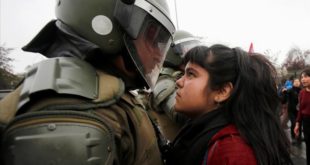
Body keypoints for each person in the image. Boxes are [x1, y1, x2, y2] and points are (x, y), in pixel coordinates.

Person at [0, 0, 175, 164]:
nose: (158, 54)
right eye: (151, 39)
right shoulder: (70, 108)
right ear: (108, 25)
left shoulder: (108, 91)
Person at [165, 45, 293, 165]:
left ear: (222, 91)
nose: (178, 82)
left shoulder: (232, 152)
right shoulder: (202, 130)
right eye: (183, 74)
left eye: (191, 74)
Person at [147, 30, 202, 141]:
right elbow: (181, 114)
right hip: (185, 152)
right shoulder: (162, 81)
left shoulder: (185, 75)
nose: (193, 55)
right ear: (172, 52)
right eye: (187, 49)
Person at [295, 68, 310, 165]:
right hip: (307, 123)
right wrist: (297, 124)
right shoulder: (302, 93)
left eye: (306, 76)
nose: (303, 79)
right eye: (301, 77)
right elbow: (300, 109)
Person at [283, 77, 302, 144]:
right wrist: (284, 93)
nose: (297, 82)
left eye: (298, 81)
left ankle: (299, 137)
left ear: (300, 83)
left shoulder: (301, 90)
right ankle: (293, 137)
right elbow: (284, 100)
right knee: (294, 123)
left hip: (299, 111)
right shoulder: (290, 90)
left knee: (299, 124)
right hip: (291, 110)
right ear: (293, 83)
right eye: (295, 81)